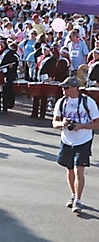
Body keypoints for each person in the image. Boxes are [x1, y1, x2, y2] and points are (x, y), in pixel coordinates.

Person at [52, 77, 99, 213]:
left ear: (74, 88)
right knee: (70, 169)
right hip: (67, 140)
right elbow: (54, 123)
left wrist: (82, 126)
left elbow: (97, 122)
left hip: (83, 140)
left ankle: (78, 200)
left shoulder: (88, 102)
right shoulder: (61, 103)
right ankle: (73, 195)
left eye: (65, 88)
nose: (63, 90)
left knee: (79, 169)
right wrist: (63, 124)